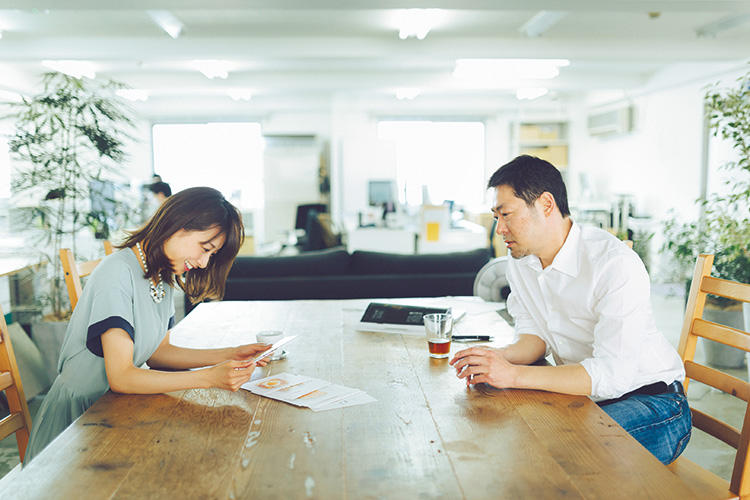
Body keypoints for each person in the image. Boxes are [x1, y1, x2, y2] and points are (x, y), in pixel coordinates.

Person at [450, 155, 690, 464]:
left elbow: (612, 376)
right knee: (516, 438)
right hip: (586, 396)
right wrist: (497, 358)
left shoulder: (614, 264)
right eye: (496, 216)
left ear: (546, 204)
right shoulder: (522, 261)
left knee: (558, 457)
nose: (500, 229)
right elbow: (534, 336)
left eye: (506, 214)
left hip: (654, 403)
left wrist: (512, 375)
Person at [24, 187, 270, 463]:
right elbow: (122, 376)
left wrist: (229, 354)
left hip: (114, 411)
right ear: (177, 225)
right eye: (205, 249)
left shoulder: (162, 275)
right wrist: (209, 377)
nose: (203, 263)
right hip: (76, 423)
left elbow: (158, 353)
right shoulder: (117, 272)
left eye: (211, 256)